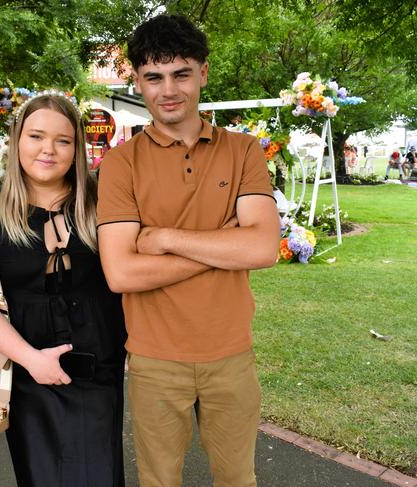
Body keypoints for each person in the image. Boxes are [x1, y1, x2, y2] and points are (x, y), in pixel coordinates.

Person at [96, 15, 280, 487]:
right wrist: (223, 242)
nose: (168, 89)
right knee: (159, 482)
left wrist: (165, 239)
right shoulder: (121, 164)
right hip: (154, 358)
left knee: (238, 479)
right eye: (154, 77)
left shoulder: (243, 152)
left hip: (231, 352)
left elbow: (262, 248)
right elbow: (120, 273)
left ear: (203, 73)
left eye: (181, 73)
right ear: (137, 83)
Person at [0, 92, 127, 486]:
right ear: (17, 140)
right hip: (26, 374)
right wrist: (31, 360)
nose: (48, 150)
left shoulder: (103, 200)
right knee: (43, 477)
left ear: (77, 147)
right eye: (36, 136)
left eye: (63, 140)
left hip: (100, 372)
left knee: (101, 475)